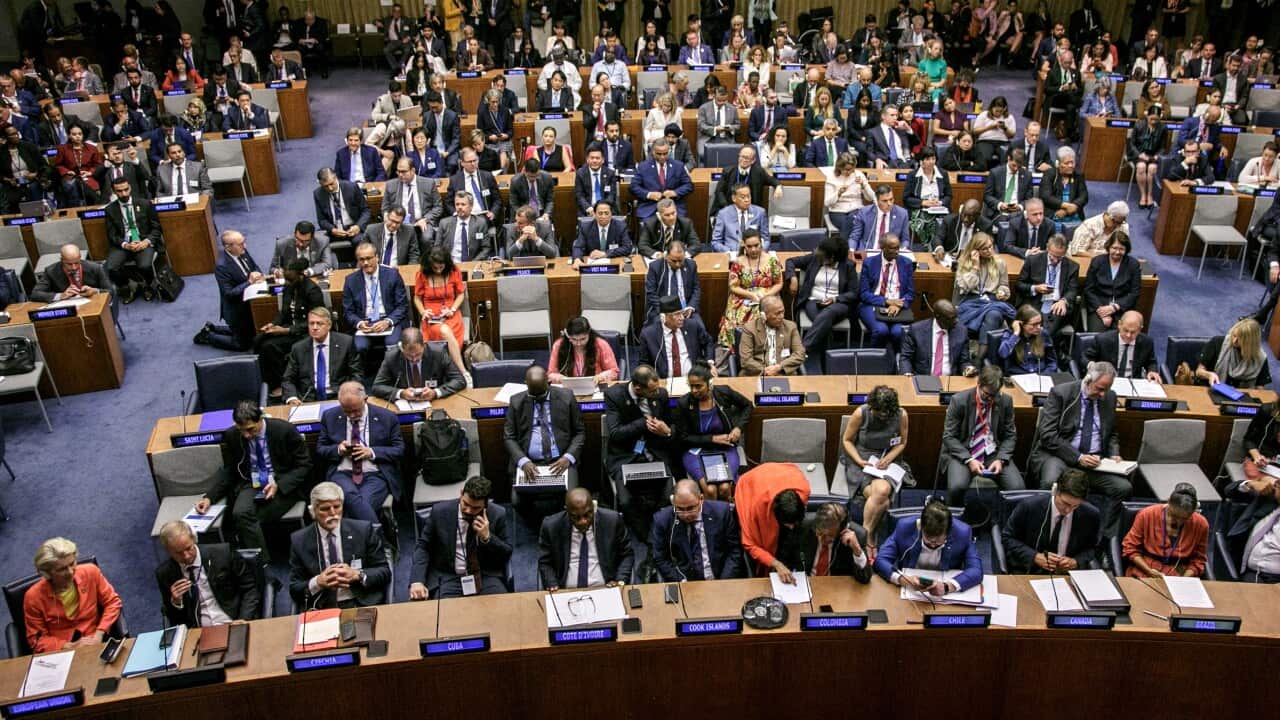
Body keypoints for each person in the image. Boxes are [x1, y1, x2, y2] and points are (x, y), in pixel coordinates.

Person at [1030, 361, 1131, 538]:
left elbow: (1112, 432)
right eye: (1099, 388)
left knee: (1123, 487)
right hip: (1060, 456)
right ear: (1087, 380)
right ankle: (1043, 533)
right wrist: (1078, 457)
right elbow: (1047, 435)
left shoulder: (1109, 397)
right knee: (1050, 482)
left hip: (1095, 463)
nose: (1102, 394)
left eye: (1106, 389)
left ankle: (1105, 540)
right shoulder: (1062, 393)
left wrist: (1114, 453)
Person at [288, 482, 391, 609]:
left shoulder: (363, 531)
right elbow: (294, 588)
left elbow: (384, 572)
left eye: (336, 507)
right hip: (321, 607)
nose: (332, 513)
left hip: (359, 603)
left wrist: (357, 575)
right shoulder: (299, 540)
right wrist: (317, 582)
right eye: (325, 509)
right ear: (313, 511)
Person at [408, 475, 512, 600]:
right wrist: (417, 581)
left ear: (485, 505)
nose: (468, 510)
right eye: (465, 504)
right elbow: (423, 547)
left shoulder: (497, 514)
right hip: (449, 577)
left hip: (485, 576)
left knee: (502, 610)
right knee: (444, 615)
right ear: (461, 493)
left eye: (475, 508)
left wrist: (488, 538)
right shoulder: (440, 512)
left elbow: (507, 553)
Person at [316, 382, 403, 524]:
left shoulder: (387, 417)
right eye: (346, 411)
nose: (352, 415)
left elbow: (399, 450)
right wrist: (338, 449)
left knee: (357, 504)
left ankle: (370, 541)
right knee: (353, 497)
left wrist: (371, 452)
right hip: (342, 473)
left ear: (365, 399)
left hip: (375, 474)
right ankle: (380, 541)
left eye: (356, 410)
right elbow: (320, 448)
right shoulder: (329, 416)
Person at [942, 365, 1023, 507]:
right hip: (964, 452)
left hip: (994, 453)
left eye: (994, 395)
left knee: (1017, 488)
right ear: (979, 384)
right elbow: (949, 437)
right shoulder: (959, 400)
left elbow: (1010, 436)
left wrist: (1001, 459)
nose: (991, 399)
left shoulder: (1005, 401)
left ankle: (1007, 524)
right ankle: (954, 521)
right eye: (987, 394)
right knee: (956, 487)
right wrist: (969, 459)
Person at [23, 537, 122, 654]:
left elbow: (112, 602)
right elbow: (37, 639)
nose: (70, 572)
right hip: (61, 651)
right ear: (47, 573)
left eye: (72, 563)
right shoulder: (33, 597)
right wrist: (69, 646)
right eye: (61, 569)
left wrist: (99, 633)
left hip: (94, 639)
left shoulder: (91, 572)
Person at [841, 385, 911, 546]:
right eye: (879, 412)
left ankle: (864, 535)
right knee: (883, 498)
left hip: (888, 460)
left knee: (882, 491)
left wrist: (890, 457)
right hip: (862, 460)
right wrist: (858, 459)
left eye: (887, 412)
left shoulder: (901, 415)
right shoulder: (861, 413)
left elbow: (902, 442)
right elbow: (847, 440)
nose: (883, 415)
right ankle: (870, 537)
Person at [155, 521, 259, 629]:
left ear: (194, 539)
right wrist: (176, 603)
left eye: (188, 548)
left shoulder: (223, 554)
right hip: (198, 631)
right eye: (178, 553)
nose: (186, 556)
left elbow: (250, 589)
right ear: (168, 551)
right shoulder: (165, 574)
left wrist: (243, 619)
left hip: (233, 621)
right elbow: (175, 620)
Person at [674, 361, 750, 499]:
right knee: (709, 490)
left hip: (724, 449)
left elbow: (748, 406)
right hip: (697, 451)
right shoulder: (684, 403)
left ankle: (726, 519)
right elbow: (682, 437)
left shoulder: (723, 393)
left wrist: (738, 428)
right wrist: (712, 439)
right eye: (691, 386)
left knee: (725, 488)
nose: (694, 390)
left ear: (709, 384)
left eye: (698, 386)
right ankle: (711, 519)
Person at [1001, 469, 1101, 573]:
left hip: (1067, 574)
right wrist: (1034, 556)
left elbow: (1092, 548)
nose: (1068, 510)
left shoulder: (1090, 515)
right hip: (1029, 570)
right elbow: (1007, 538)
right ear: (1055, 491)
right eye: (1065, 503)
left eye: (1075, 506)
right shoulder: (1029, 507)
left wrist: (1076, 561)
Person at [875, 497, 983, 592]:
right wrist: (903, 579)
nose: (932, 545)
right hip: (910, 588)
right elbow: (881, 560)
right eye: (928, 539)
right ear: (920, 527)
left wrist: (947, 587)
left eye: (937, 541)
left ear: (949, 532)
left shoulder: (963, 533)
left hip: (944, 587)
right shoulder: (904, 527)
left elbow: (976, 570)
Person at [538, 487, 635, 589]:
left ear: (594, 507)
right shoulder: (551, 526)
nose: (583, 521)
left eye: (587, 515)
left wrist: (619, 580)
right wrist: (552, 584)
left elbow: (626, 555)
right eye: (576, 517)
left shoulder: (612, 521)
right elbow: (545, 562)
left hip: (606, 588)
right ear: (567, 511)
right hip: (565, 590)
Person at [651, 479, 744, 581]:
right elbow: (661, 558)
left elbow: (734, 551)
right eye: (680, 509)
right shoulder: (662, 520)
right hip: (685, 582)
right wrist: (680, 580)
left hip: (720, 578)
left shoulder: (721, 513)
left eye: (691, 508)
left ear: (701, 499)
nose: (686, 515)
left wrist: (724, 582)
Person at [782, 235, 856, 362]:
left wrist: (835, 299)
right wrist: (793, 278)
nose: (816, 252)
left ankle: (801, 350)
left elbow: (853, 293)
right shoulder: (814, 258)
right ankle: (828, 358)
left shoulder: (848, 266)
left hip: (838, 304)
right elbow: (790, 261)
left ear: (832, 257)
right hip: (813, 301)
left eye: (820, 251)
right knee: (824, 321)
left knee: (828, 313)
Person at [734, 462, 809, 580]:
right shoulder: (755, 509)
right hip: (751, 485)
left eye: (794, 523)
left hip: (776, 476)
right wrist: (775, 563)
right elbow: (750, 545)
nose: (791, 528)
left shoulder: (803, 490)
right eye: (787, 524)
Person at [1122, 483, 1208, 578]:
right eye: (1174, 516)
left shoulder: (1201, 524)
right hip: (1145, 571)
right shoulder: (1147, 515)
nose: (1179, 523)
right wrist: (1148, 571)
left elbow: (1199, 560)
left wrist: (1184, 579)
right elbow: (1130, 548)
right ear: (1168, 502)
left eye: (1185, 519)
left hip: (1180, 574)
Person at [282, 307, 362, 404]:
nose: (315, 327)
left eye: (319, 323)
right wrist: (292, 398)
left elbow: (356, 374)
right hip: (307, 399)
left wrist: (350, 393)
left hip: (338, 397)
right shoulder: (298, 348)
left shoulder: (346, 343)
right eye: (311, 323)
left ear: (329, 325)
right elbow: (288, 379)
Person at [342, 241, 410, 355]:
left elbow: (402, 305)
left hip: (389, 320)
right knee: (359, 347)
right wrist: (359, 323)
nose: (366, 263)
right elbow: (348, 311)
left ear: (377, 257)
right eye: (361, 260)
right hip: (366, 324)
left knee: (393, 345)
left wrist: (387, 322)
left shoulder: (392, 275)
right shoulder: (350, 280)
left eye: (369, 258)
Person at [104, 175, 161, 303]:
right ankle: (130, 285)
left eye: (126, 189)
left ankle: (148, 285)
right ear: (114, 192)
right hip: (123, 244)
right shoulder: (110, 209)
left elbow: (157, 228)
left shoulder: (145, 204)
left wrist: (146, 242)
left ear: (130, 188)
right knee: (110, 267)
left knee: (145, 265)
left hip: (143, 241)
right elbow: (112, 235)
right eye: (119, 191)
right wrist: (125, 244)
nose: (124, 193)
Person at [372, 326, 465, 404]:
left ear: (424, 345)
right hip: (405, 406)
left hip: (435, 403)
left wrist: (436, 392)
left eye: (418, 354)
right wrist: (401, 393)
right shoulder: (392, 357)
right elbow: (377, 387)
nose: (414, 359)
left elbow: (459, 380)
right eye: (408, 355)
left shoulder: (438, 353)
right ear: (401, 348)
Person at [859, 234, 915, 350]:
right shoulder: (869, 263)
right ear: (882, 248)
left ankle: (895, 361)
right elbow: (864, 293)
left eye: (898, 248)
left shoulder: (907, 263)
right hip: (873, 304)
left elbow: (910, 293)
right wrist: (887, 301)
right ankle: (875, 362)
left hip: (898, 306)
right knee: (881, 330)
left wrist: (898, 305)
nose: (896, 252)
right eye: (892, 248)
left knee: (898, 332)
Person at [640, 295, 716, 379]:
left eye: (682, 313)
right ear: (663, 318)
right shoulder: (648, 335)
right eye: (676, 314)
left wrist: (710, 363)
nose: (682, 318)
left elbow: (708, 342)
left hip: (694, 379)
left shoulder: (692, 326)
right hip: (663, 381)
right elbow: (643, 363)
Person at [1082, 232, 1141, 332]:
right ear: (1108, 247)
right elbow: (1088, 290)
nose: (1117, 252)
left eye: (1121, 249)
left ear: (1126, 250)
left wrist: (1114, 307)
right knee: (1096, 336)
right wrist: (1101, 311)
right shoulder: (1097, 262)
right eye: (1114, 248)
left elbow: (1135, 293)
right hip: (1099, 307)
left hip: (1121, 308)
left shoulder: (1133, 265)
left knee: (1124, 333)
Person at [898, 299, 975, 376]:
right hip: (923, 379)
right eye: (951, 318)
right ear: (938, 317)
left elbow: (964, 361)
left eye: (956, 317)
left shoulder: (961, 331)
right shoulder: (916, 330)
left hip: (950, 381)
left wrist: (967, 369)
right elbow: (906, 358)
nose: (956, 321)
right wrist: (906, 373)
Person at [736, 294, 804, 377]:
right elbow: (746, 360)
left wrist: (779, 367)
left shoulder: (790, 327)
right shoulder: (750, 329)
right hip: (756, 375)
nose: (781, 316)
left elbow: (799, 354)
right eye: (777, 314)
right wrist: (765, 371)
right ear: (763, 315)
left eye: (783, 312)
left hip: (784, 374)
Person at [802, 502, 873, 582]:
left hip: (836, 588)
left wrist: (857, 549)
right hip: (807, 584)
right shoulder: (805, 526)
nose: (821, 538)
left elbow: (865, 578)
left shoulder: (858, 536)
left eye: (828, 535)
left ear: (842, 531)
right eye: (819, 532)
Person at [1085, 311, 1162, 382]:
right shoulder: (1103, 340)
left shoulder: (1147, 342)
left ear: (1140, 329)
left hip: (1133, 382)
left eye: (1133, 332)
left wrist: (1152, 371)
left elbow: (1151, 362)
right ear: (1119, 325)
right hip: (1107, 381)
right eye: (1125, 330)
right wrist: (1092, 365)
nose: (1128, 335)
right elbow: (1085, 358)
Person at [1196, 318, 1271, 389]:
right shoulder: (1217, 343)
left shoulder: (1260, 358)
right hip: (1212, 389)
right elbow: (1199, 371)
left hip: (1241, 396)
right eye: (1234, 336)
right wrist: (1209, 375)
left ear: (1249, 343)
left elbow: (1260, 387)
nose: (1234, 341)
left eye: (1240, 340)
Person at [711, 145, 781, 217]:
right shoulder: (728, 171)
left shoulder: (758, 172)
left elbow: (772, 180)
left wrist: (778, 186)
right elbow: (719, 191)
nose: (743, 160)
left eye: (747, 158)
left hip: (750, 211)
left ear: (753, 160)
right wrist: (727, 207)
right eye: (741, 156)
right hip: (730, 208)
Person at [31, 244, 109, 303]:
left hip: (92, 304)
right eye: (69, 264)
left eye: (76, 263)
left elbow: (111, 291)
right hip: (67, 308)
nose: (74, 267)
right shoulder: (51, 271)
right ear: (62, 260)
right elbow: (35, 294)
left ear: (80, 258)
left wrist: (95, 291)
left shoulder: (95, 268)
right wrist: (61, 296)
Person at [644, 239, 700, 322]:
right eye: (674, 261)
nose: (677, 264)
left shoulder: (691, 265)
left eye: (680, 260)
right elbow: (651, 293)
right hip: (663, 311)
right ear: (666, 256)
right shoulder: (655, 267)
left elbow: (696, 289)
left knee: (699, 326)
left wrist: (691, 307)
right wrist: (663, 311)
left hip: (685, 310)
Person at [824, 153, 874, 240]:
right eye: (846, 170)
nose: (849, 172)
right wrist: (838, 193)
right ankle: (851, 248)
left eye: (851, 169)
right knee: (850, 223)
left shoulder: (859, 175)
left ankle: (843, 249)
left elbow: (870, 198)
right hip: (837, 211)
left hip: (856, 208)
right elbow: (827, 203)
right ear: (839, 167)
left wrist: (864, 185)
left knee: (852, 219)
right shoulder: (831, 177)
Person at [849, 185, 910, 253]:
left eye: (891, 199)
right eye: (885, 201)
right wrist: (851, 250)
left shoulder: (902, 214)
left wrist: (902, 249)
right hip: (867, 252)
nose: (889, 203)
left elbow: (905, 240)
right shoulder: (864, 212)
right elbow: (854, 237)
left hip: (890, 254)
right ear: (876, 201)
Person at [998, 304, 1057, 374]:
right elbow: (1003, 354)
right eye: (1034, 324)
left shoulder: (1043, 334)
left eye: (1039, 323)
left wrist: (1046, 374)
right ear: (1022, 324)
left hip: (1042, 375)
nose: (1038, 327)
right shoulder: (1010, 335)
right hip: (1020, 376)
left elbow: (1052, 361)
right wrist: (1016, 333)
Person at [436, 190, 492, 262]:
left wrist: (473, 263)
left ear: (471, 206)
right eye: (457, 204)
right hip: (450, 265)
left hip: (473, 263)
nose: (459, 207)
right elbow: (437, 248)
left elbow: (486, 248)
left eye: (463, 204)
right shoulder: (444, 223)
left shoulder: (480, 223)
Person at [711, 185, 769, 254]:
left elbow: (766, 239)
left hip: (754, 253)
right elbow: (716, 241)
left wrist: (760, 251)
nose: (747, 200)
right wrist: (728, 252)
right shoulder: (723, 214)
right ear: (734, 198)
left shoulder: (760, 212)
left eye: (749, 196)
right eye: (743, 197)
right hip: (731, 254)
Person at [1128, 106, 1166, 209]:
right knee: (1141, 167)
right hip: (1139, 153)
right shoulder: (1139, 125)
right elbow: (1131, 144)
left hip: (1153, 154)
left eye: (1156, 119)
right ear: (1147, 116)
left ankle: (1149, 195)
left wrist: (1158, 155)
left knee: (1152, 169)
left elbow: (1163, 147)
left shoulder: (1162, 128)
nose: (1153, 122)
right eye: (1151, 119)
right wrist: (1139, 154)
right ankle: (1143, 195)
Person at [983, 148, 1032, 223]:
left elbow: (1029, 199)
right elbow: (987, 196)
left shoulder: (1027, 175)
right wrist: (1000, 204)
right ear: (1009, 159)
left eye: (1019, 167)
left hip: (1018, 213)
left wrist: (1020, 206)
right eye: (1014, 165)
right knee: (1005, 224)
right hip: (999, 213)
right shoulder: (995, 173)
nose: (1016, 169)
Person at [971, 96, 1017, 167]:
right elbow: (975, 131)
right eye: (996, 111)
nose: (998, 113)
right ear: (991, 108)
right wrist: (990, 127)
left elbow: (1012, 135)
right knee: (984, 158)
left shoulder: (1009, 117)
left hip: (1003, 142)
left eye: (1000, 111)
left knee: (1007, 159)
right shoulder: (984, 115)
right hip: (985, 141)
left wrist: (1005, 128)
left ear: (1005, 109)